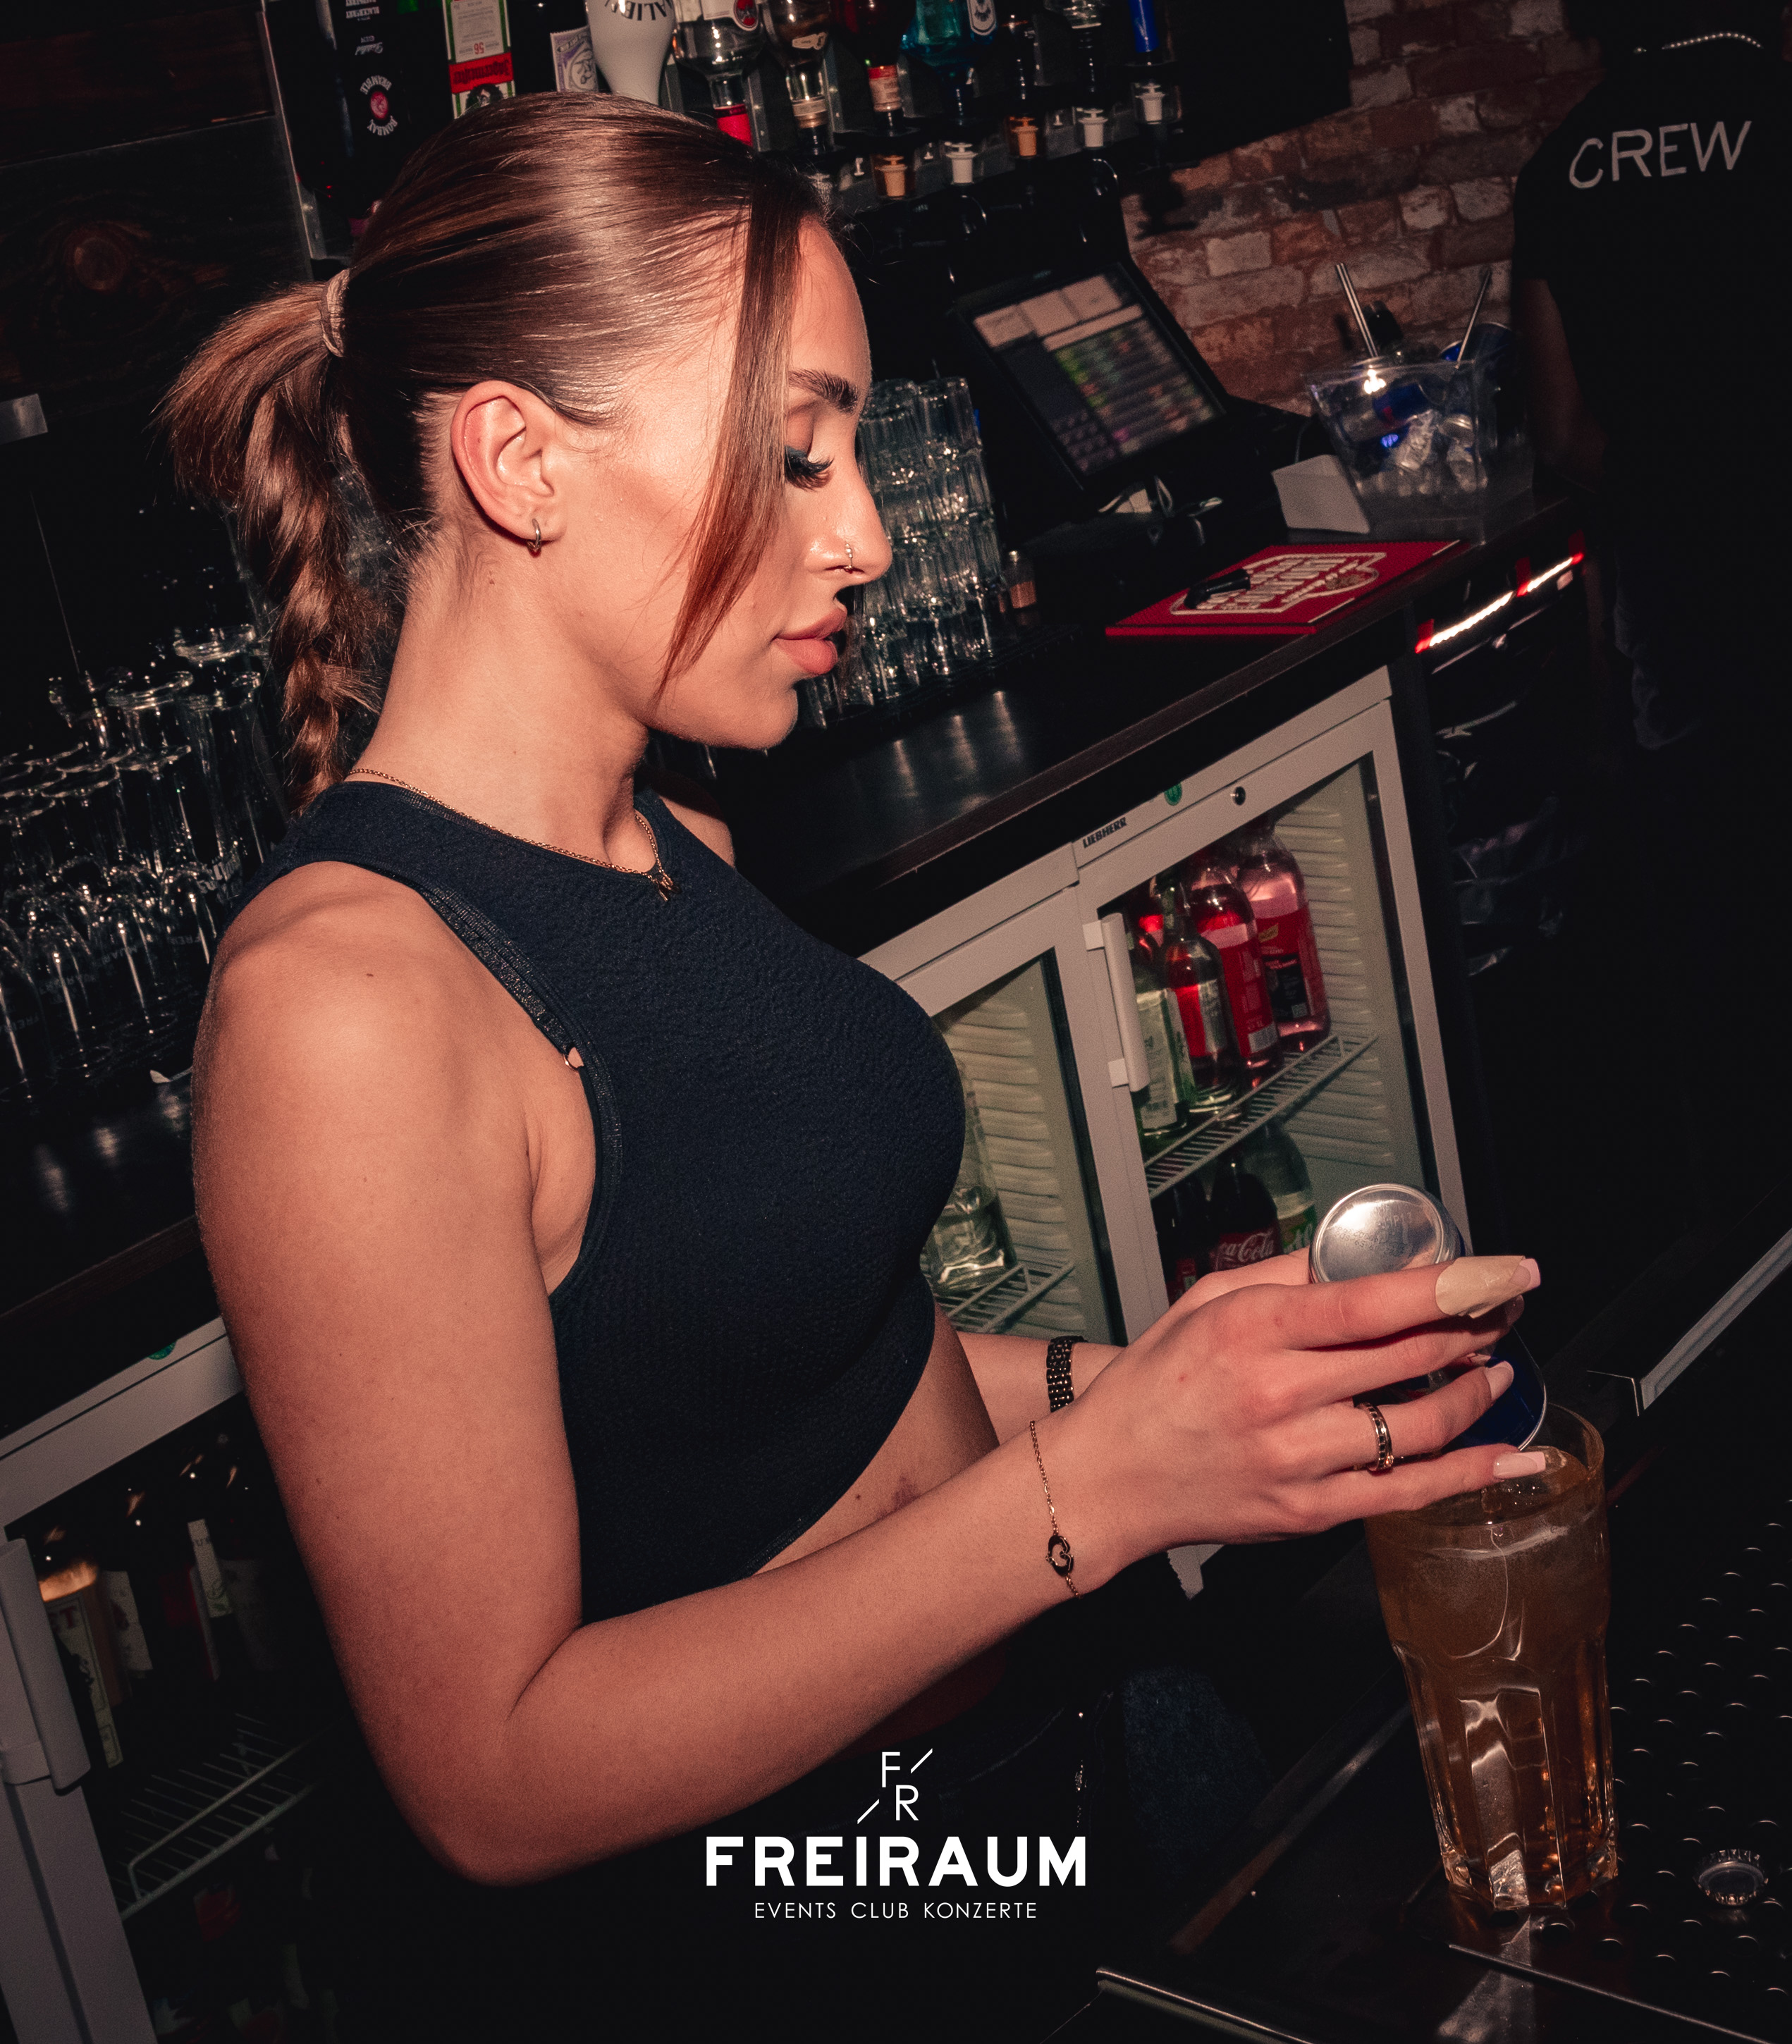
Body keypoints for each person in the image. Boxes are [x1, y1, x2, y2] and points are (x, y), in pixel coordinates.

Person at [166, 94, 1540, 2042]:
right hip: (816, 1907)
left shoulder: (679, 840)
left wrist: (1177, 1395)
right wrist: (1094, 1485)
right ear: (519, 461)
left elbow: (785, 1366)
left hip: (1074, 1735)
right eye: (794, 450)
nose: (868, 533)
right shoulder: (348, 1009)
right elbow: (493, 1770)